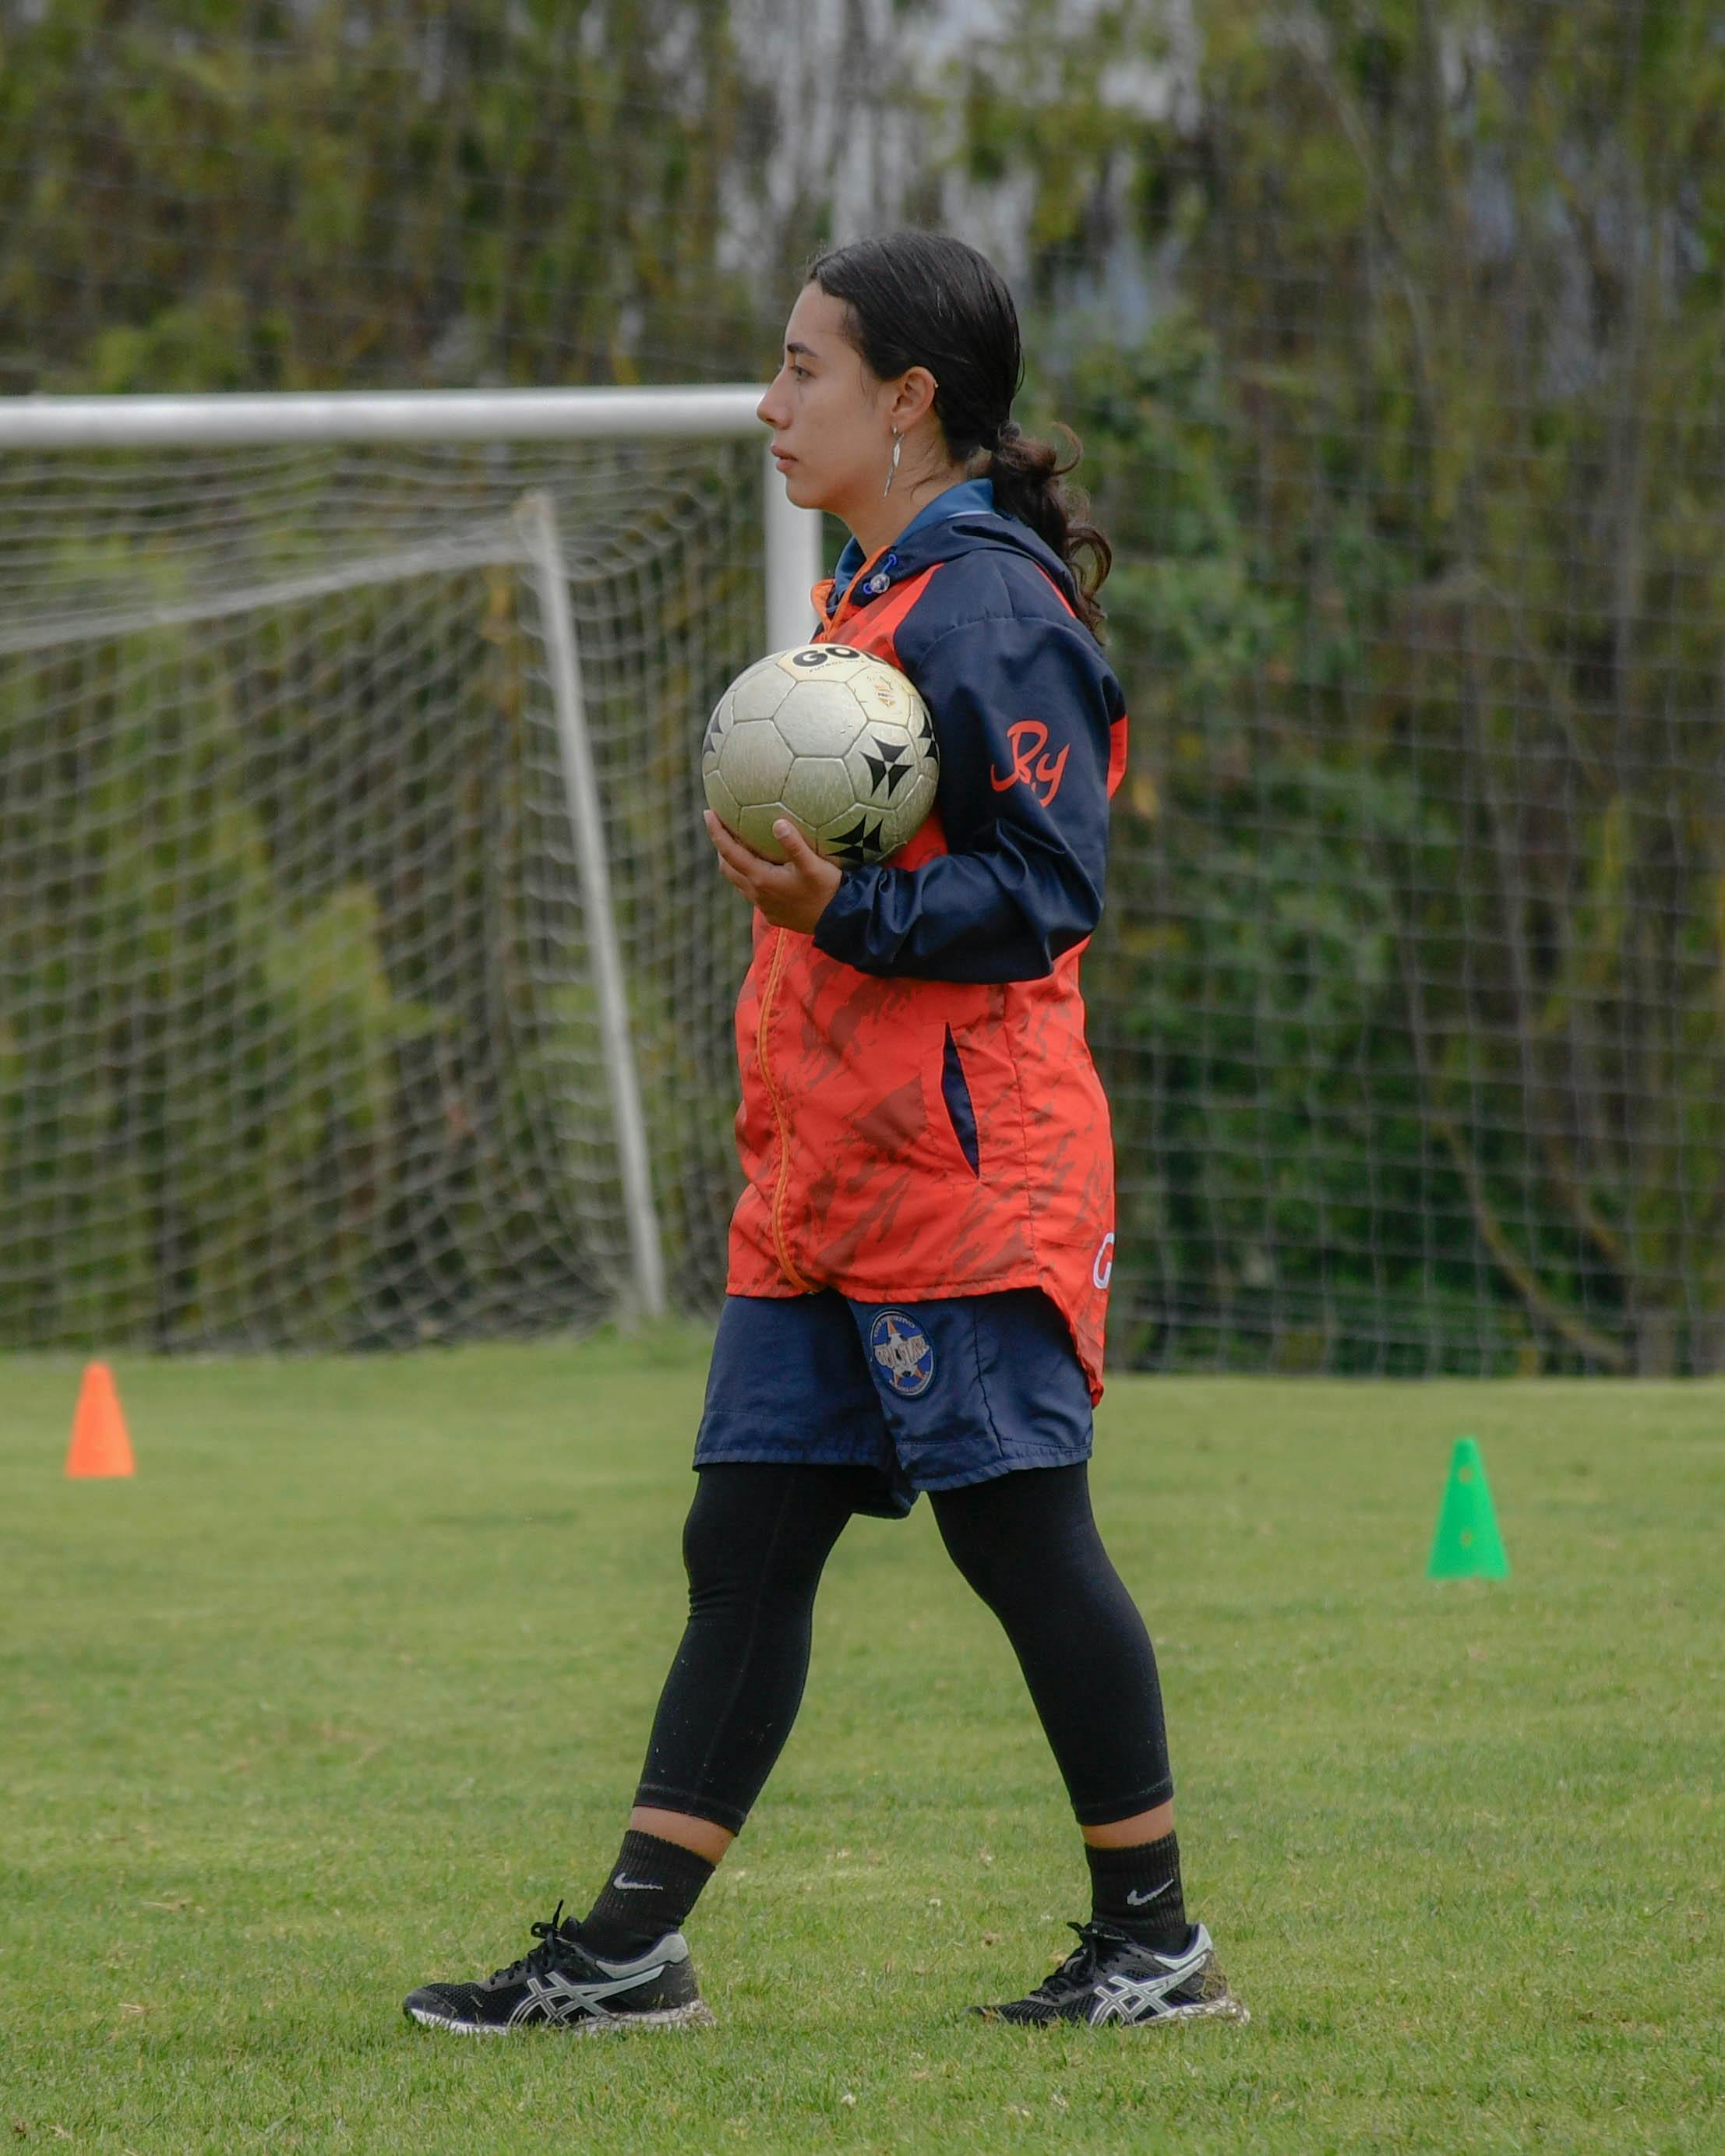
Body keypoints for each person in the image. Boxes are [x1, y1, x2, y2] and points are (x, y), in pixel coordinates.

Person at [403, 231, 1244, 2035]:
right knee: (748, 1538)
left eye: (803, 369)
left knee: (1018, 1535)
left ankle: (1156, 1942)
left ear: (909, 397)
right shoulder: (865, 599)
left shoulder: (991, 604)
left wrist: (836, 916)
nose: (773, 400)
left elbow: (1050, 894)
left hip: (962, 1165)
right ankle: (632, 1951)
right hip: (820, 1177)